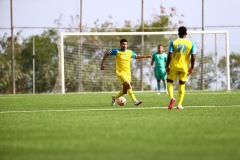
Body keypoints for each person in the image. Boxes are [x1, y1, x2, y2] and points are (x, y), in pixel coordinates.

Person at [100, 39, 152, 106]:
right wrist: (102, 63)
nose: (124, 45)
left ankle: (114, 98)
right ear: (120, 44)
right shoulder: (116, 51)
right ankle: (135, 101)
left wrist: (145, 56)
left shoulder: (130, 52)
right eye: (123, 44)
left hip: (128, 73)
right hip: (120, 73)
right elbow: (107, 53)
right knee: (128, 84)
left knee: (125, 91)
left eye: (126, 44)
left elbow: (136, 56)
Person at [165, 26, 196, 110]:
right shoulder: (191, 43)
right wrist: (192, 67)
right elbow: (193, 57)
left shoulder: (173, 42)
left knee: (169, 81)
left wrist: (167, 65)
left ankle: (172, 97)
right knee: (182, 84)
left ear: (178, 33)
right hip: (184, 67)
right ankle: (179, 104)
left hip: (174, 66)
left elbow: (170, 55)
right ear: (186, 34)